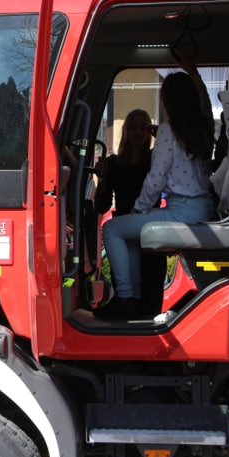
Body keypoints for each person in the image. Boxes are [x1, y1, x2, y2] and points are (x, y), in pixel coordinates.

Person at [96, 72, 214, 319]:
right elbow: (202, 102)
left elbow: (156, 178)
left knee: (112, 229)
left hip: (180, 211)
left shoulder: (169, 132)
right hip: (202, 209)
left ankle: (126, 297)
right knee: (126, 230)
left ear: (168, 101)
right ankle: (135, 298)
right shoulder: (203, 128)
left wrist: (138, 209)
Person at [93, 109, 166, 315]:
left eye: (144, 127)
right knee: (129, 299)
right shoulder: (115, 163)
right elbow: (102, 205)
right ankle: (125, 305)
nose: (138, 132)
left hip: (149, 230)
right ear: (126, 130)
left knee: (149, 294)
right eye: (133, 127)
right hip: (125, 232)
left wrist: (160, 133)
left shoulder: (155, 160)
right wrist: (103, 177)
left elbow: (173, 149)